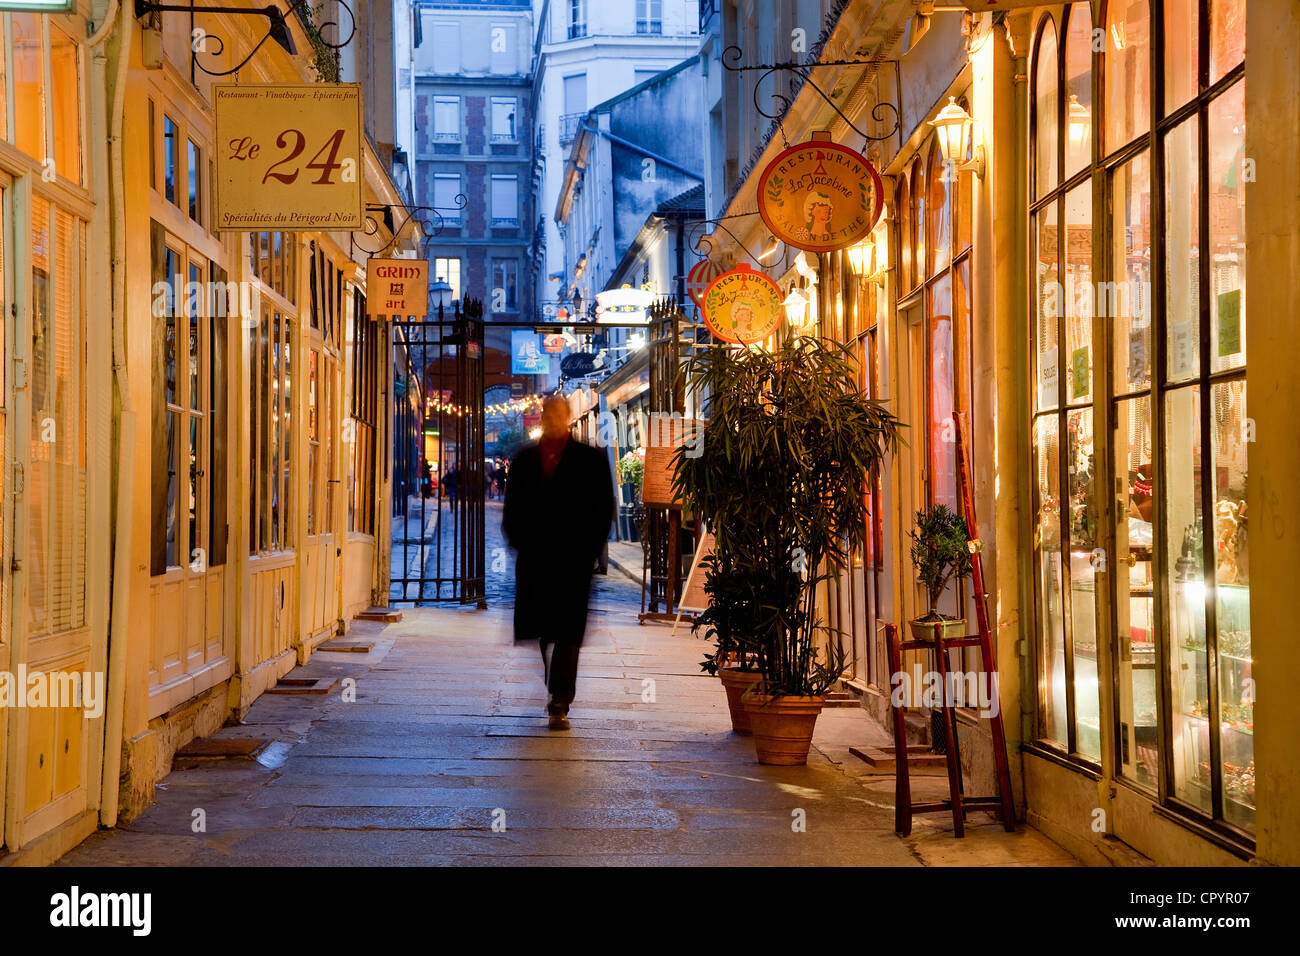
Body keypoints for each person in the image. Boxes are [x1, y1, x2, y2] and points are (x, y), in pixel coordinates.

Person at [503, 394, 615, 730]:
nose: (552, 418)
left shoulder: (589, 459)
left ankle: (560, 698)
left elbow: (601, 507)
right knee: (542, 631)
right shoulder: (525, 459)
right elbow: (513, 507)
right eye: (548, 413)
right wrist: (518, 541)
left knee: (568, 632)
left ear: (567, 417)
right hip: (536, 559)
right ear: (543, 417)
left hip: (573, 561)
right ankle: (557, 685)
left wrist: (590, 549)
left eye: (557, 413)